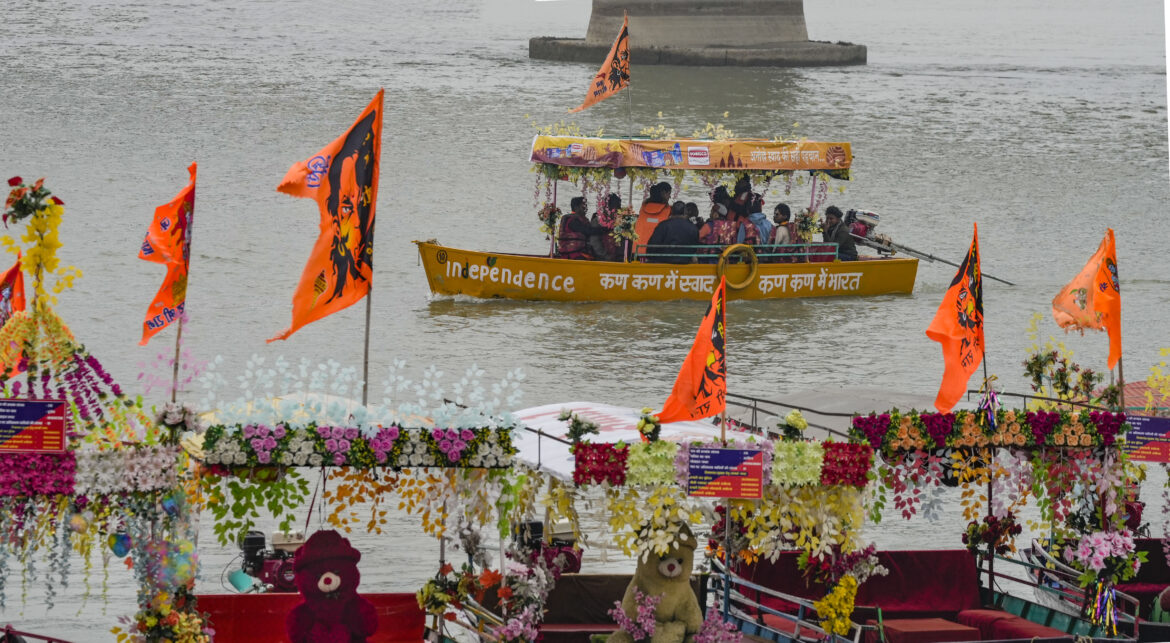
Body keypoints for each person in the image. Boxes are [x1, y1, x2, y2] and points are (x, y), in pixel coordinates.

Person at [634, 182, 672, 246]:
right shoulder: (668, 210)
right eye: (669, 194)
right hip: (656, 251)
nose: (670, 196)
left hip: (637, 248)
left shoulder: (643, 207)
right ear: (663, 193)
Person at [590, 194, 622, 261]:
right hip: (601, 259)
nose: (619, 210)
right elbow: (594, 241)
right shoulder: (597, 221)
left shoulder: (619, 221)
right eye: (617, 207)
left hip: (617, 258)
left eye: (619, 207)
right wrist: (605, 255)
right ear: (607, 207)